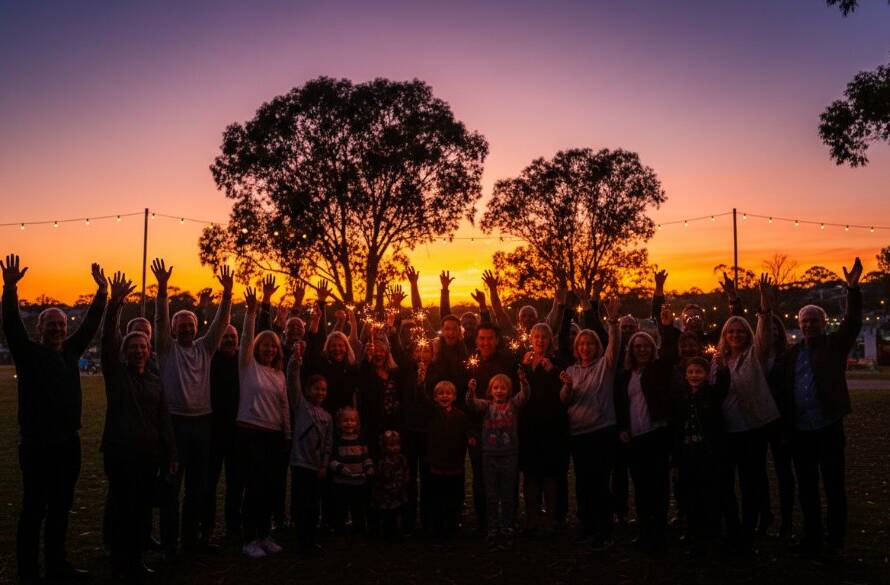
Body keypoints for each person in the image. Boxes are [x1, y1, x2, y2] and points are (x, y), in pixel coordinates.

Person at [2, 254, 107, 583]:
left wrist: (102, 292)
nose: (58, 328)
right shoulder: (27, 353)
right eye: (51, 324)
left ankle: (57, 564)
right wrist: (10, 289)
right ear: (40, 327)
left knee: (62, 508)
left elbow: (89, 326)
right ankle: (29, 572)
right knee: (34, 510)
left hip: (68, 444)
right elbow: (11, 325)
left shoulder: (72, 351)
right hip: (36, 446)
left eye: (62, 324)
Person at [779, 258, 862, 561]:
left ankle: (835, 539)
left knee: (834, 486)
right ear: (799, 324)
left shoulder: (834, 345)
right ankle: (812, 536)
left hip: (827, 426)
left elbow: (853, 324)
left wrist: (852, 290)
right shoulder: (792, 355)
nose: (809, 324)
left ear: (823, 323)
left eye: (815, 320)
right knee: (807, 488)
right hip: (800, 431)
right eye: (805, 320)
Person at [152, 258, 233, 556]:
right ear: (173, 329)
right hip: (174, 424)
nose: (186, 329)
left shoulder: (205, 348)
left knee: (197, 488)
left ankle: (191, 540)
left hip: (203, 423)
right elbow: (160, 320)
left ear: (196, 328)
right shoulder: (165, 348)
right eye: (181, 325)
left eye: (190, 325)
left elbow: (221, 324)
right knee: (172, 486)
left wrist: (227, 295)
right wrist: (162, 289)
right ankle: (170, 545)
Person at [100, 272, 177, 578]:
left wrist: (171, 454)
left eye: (142, 347)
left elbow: (164, 419)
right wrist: (115, 304)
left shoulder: (155, 379)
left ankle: (135, 557)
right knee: (124, 507)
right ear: (125, 352)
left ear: (148, 351)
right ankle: (124, 559)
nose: (137, 350)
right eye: (132, 347)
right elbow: (107, 341)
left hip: (149, 454)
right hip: (121, 453)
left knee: (142, 507)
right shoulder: (118, 376)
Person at [714, 275, 780, 550]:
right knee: (726, 484)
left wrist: (763, 306)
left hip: (752, 428)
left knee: (751, 482)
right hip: (726, 432)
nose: (736, 334)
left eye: (741, 331)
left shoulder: (755, 355)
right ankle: (732, 528)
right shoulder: (718, 361)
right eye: (731, 332)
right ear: (725, 337)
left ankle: (749, 530)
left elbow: (763, 335)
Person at [560, 298, 621, 550]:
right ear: (576, 347)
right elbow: (565, 401)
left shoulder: (605, 366)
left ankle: (603, 531)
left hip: (602, 432)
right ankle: (587, 526)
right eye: (581, 343)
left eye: (590, 343)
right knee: (583, 484)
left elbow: (615, 347)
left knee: (600, 483)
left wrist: (613, 322)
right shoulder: (572, 371)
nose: (585, 347)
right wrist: (566, 387)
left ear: (596, 346)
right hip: (579, 435)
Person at [236, 286, 291, 558]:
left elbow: (284, 406)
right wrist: (252, 313)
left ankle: (265, 534)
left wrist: (287, 433)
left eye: (273, 345)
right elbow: (246, 337)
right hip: (251, 433)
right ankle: (249, 540)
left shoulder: (278, 373)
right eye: (265, 344)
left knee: (271, 487)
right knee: (254, 487)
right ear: (258, 347)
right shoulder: (248, 366)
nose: (269, 349)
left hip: (275, 435)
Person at [615, 331, 674, 553]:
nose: (642, 349)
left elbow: (669, 350)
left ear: (652, 348)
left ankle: (659, 532)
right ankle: (645, 530)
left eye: (646, 346)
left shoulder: (659, 370)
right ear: (631, 350)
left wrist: (666, 325)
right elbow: (621, 403)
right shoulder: (625, 375)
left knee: (658, 485)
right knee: (640, 486)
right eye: (637, 346)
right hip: (635, 437)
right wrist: (622, 428)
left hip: (656, 434)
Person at [466, 370, 531, 549]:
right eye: (496, 388)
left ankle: (508, 528)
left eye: (503, 388)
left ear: (509, 390)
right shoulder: (486, 406)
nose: (499, 391)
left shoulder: (513, 405)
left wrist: (524, 382)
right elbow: (472, 404)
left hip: (509, 454)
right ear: (490, 390)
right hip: (489, 455)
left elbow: (524, 396)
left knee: (508, 494)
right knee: (492, 495)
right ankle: (493, 529)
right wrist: (471, 391)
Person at [518, 323, 568, 533]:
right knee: (530, 475)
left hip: (551, 425)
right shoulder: (523, 362)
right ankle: (532, 518)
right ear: (531, 339)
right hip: (529, 425)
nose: (540, 340)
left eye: (544, 337)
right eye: (536, 336)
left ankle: (551, 519)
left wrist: (554, 371)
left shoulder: (557, 363)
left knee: (550, 474)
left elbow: (564, 392)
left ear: (550, 340)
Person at [674, 357, 729, 549]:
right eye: (691, 372)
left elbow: (723, 390)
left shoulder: (711, 395)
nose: (694, 376)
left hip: (706, 451)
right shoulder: (683, 397)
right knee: (690, 492)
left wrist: (722, 371)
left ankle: (711, 531)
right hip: (687, 451)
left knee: (709, 491)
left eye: (698, 372)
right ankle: (693, 529)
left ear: (706, 375)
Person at [287, 347, 333, 555]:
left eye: (323, 389)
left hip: (316, 467)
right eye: (316, 389)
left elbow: (328, 443)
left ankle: (312, 538)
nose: (320, 393)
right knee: (301, 503)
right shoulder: (301, 407)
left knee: (314, 504)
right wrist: (296, 362)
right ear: (307, 391)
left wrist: (324, 465)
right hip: (300, 464)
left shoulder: (327, 417)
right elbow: (292, 382)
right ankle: (300, 538)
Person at [204, 324, 242, 544]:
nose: (229, 340)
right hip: (214, 431)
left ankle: (233, 527)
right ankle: (206, 528)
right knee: (209, 483)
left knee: (235, 484)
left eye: (233, 337)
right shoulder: (211, 359)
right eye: (225, 336)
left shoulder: (243, 361)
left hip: (237, 432)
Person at [426, 381, 470, 537]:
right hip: (437, 463)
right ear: (435, 397)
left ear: (455, 396)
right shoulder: (432, 413)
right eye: (441, 393)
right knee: (437, 496)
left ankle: (452, 526)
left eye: (448, 393)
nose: (445, 396)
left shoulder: (460, 416)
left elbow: (465, 436)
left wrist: (470, 440)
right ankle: (438, 527)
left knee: (454, 497)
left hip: (455, 464)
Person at [329, 406, 374, 535]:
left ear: (357, 422)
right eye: (345, 420)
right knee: (341, 508)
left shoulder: (361, 439)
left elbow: (365, 456)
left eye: (352, 420)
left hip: (359, 482)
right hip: (341, 482)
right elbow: (331, 459)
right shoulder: (337, 441)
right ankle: (340, 531)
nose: (349, 423)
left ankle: (358, 531)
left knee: (358, 508)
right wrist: (341, 468)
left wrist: (369, 467)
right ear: (339, 423)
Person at [373, 430, 411, 540]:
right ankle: (387, 534)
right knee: (387, 515)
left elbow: (406, 470)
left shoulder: (402, 458)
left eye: (397, 445)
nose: (395, 448)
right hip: (386, 494)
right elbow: (381, 478)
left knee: (398, 512)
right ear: (384, 447)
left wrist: (406, 478)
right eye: (391, 445)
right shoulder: (382, 462)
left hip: (399, 492)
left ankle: (398, 531)